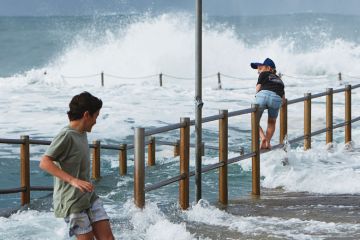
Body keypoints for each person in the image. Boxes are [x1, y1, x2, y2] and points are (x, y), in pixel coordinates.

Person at [39, 92, 115, 240]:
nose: (95, 122)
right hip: (72, 201)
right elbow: (45, 162)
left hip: (88, 197)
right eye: (96, 117)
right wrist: (73, 180)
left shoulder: (81, 133)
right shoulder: (66, 135)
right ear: (87, 115)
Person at [250, 58, 285, 149]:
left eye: (260, 69)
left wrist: (258, 98)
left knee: (254, 121)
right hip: (276, 99)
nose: (258, 71)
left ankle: (263, 138)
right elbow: (283, 99)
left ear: (268, 68)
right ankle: (267, 142)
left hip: (263, 96)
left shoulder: (264, 74)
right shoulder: (280, 80)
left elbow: (258, 88)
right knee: (271, 122)